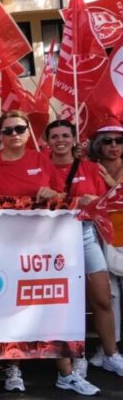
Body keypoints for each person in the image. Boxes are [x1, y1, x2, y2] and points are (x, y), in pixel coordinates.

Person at [0, 113, 98, 395]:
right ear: (0, 135)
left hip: (42, 245)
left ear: (27, 132)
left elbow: (58, 197)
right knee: (9, 306)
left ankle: (66, 374)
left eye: (20, 129)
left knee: (52, 303)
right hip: (4, 245)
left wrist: (49, 193)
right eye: (7, 130)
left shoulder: (40, 159)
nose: (14, 134)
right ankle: (13, 367)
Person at [46, 121, 123, 380]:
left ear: (74, 139)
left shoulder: (91, 168)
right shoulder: (42, 167)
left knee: (102, 299)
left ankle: (111, 355)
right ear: (47, 141)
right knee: (66, 302)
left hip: (86, 235)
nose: (60, 140)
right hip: (52, 241)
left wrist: (95, 201)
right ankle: (75, 356)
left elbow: (108, 204)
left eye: (65, 135)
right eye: (55, 136)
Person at [90, 125, 123, 365]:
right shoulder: (91, 168)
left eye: (119, 140)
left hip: (121, 229)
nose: (113, 145)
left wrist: (113, 184)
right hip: (100, 231)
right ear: (98, 145)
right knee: (109, 293)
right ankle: (110, 346)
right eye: (107, 141)